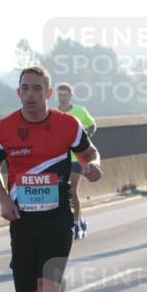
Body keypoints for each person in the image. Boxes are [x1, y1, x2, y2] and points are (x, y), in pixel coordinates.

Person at [0, 65, 102, 292]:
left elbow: (90, 153)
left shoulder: (67, 125)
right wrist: (3, 201)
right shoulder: (4, 128)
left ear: (48, 93)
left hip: (57, 217)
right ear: (18, 92)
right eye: (26, 88)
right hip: (22, 219)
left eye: (37, 89)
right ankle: (46, 285)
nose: (31, 94)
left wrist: (93, 166)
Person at [56, 82, 97, 240]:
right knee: (62, 193)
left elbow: (92, 125)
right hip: (61, 158)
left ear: (71, 96)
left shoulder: (80, 111)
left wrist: (86, 138)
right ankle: (81, 220)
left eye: (65, 95)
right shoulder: (54, 113)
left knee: (72, 190)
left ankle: (76, 224)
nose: (63, 98)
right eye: (60, 95)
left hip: (77, 158)